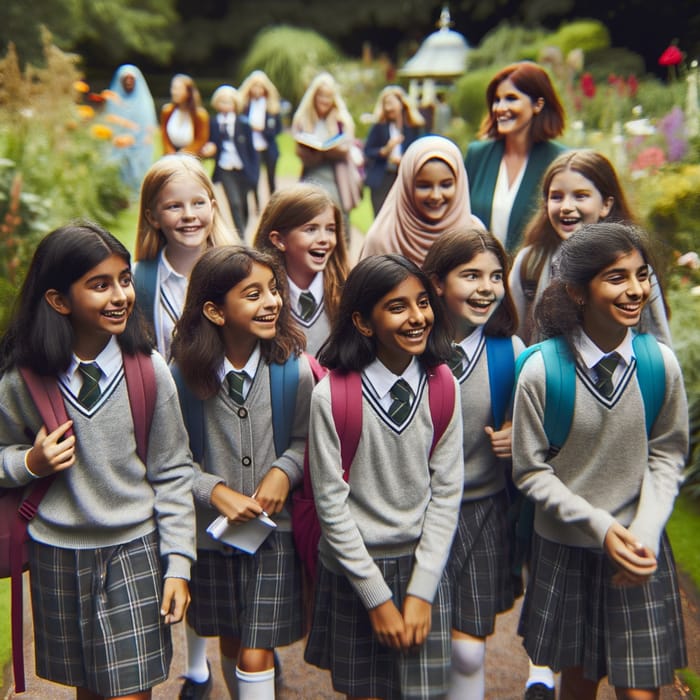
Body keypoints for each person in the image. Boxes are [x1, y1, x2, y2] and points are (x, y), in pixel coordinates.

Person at [0, 222, 196, 699]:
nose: (120, 296)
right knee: (89, 690)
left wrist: (179, 564)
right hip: (57, 553)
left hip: (134, 548)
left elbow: (172, 472)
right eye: (99, 284)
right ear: (58, 300)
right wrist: (30, 463)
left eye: (124, 280)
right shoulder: (22, 379)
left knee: (130, 691)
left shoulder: (149, 372)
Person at [512, 223, 688, 700]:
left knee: (640, 690)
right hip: (568, 549)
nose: (635, 290)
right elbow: (529, 470)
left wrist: (645, 534)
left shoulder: (659, 365)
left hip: (639, 546)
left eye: (641, 275)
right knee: (578, 684)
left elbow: (668, 452)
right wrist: (599, 527)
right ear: (576, 291)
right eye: (616, 278)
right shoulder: (541, 370)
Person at [304, 254, 464, 699]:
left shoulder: (443, 385)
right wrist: (376, 597)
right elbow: (330, 504)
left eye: (423, 303)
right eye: (397, 307)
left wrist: (422, 590)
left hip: (421, 565)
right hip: (356, 569)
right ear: (363, 321)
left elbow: (447, 492)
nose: (417, 317)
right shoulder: (332, 396)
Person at [170, 246, 313, 700]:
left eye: (274, 290)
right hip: (211, 538)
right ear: (214, 310)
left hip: (275, 534)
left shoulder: (293, 370)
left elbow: (307, 441)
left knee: (256, 650)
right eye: (252, 294)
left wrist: (284, 472)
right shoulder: (181, 378)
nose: (271, 301)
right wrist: (214, 491)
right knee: (231, 638)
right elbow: (170, 461)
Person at [423, 228, 524, 700]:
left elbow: (541, 438)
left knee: (469, 650)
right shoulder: (412, 348)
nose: (486, 287)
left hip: (483, 510)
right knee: (419, 639)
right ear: (437, 283)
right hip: (418, 515)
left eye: (495, 276)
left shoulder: (512, 353)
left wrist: (517, 438)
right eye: (471, 275)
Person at [510, 150, 672, 347]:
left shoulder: (633, 265)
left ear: (605, 204)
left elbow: (659, 343)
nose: (566, 207)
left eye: (580, 196)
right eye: (556, 197)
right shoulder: (530, 263)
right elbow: (514, 340)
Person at [133, 153, 237, 361]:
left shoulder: (239, 272)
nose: (189, 214)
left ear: (213, 208)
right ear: (152, 217)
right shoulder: (137, 279)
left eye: (198, 203)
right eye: (174, 206)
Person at [465, 61, 566, 253]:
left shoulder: (559, 160)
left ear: (538, 104)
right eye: (497, 100)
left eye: (511, 98)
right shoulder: (477, 156)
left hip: (532, 276)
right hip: (479, 275)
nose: (500, 108)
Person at [252, 182, 349, 356]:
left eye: (330, 229)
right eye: (311, 229)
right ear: (279, 240)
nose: (324, 239)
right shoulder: (260, 300)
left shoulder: (347, 291)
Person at [360, 134, 483, 267]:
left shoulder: (474, 235)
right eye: (424, 186)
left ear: (459, 185)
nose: (435, 196)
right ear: (407, 186)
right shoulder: (382, 239)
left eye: (446, 185)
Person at [291, 72, 362, 224]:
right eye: (321, 96)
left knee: (337, 209)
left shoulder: (341, 119)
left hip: (337, 172)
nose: (324, 101)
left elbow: (347, 145)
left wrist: (332, 150)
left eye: (328, 96)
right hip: (313, 169)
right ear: (314, 97)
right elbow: (298, 148)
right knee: (311, 209)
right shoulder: (303, 119)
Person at [205, 85, 259, 238]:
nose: (225, 106)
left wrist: (254, 173)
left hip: (243, 168)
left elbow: (251, 150)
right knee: (234, 202)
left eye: (228, 102)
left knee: (243, 203)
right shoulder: (214, 123)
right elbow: (211, 142)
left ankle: (243, 227)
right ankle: (241, 237)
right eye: (222, 102)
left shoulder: (243, 124)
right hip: (225, 167)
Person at [363, 85, 425, 215]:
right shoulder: (379, 126)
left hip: (404, 177)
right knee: (381, 216)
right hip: (382, 179)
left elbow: (420, 150)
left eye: (390, 103)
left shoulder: (413, 128)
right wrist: (384, 151)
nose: (388, 107)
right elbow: (368, 150)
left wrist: (404, 160)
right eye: (385, 104)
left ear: (401, 103)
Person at [103, 64, 157, 193]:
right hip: (120, 144)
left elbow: (149, 125)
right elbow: (110, 122)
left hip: (140, 145)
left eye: (131, 79)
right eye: (125, 79)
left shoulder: (144, 101)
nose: (128, 82)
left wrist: (145, 136)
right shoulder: (113, 100)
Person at [239, 70, 283, 207]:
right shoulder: (245, 106)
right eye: (254, 86)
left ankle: (273, 203)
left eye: (260, 87)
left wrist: (262, 130)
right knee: (254, 178)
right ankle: (257, 205)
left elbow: (278, 129)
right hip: (252, 147)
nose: (257, 90)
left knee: (271, 177)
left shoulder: (271, 106)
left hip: (267, 146)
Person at [160, 73, 210, 157]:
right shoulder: (167, 111)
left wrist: (185, 152)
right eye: (173, 88)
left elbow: (201, 139)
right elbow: (164, 134)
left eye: (178, 89)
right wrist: (170, 151)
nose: (174, 92)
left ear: (188, 92)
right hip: (170, 156)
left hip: (190, 157)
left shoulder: (200, 115)